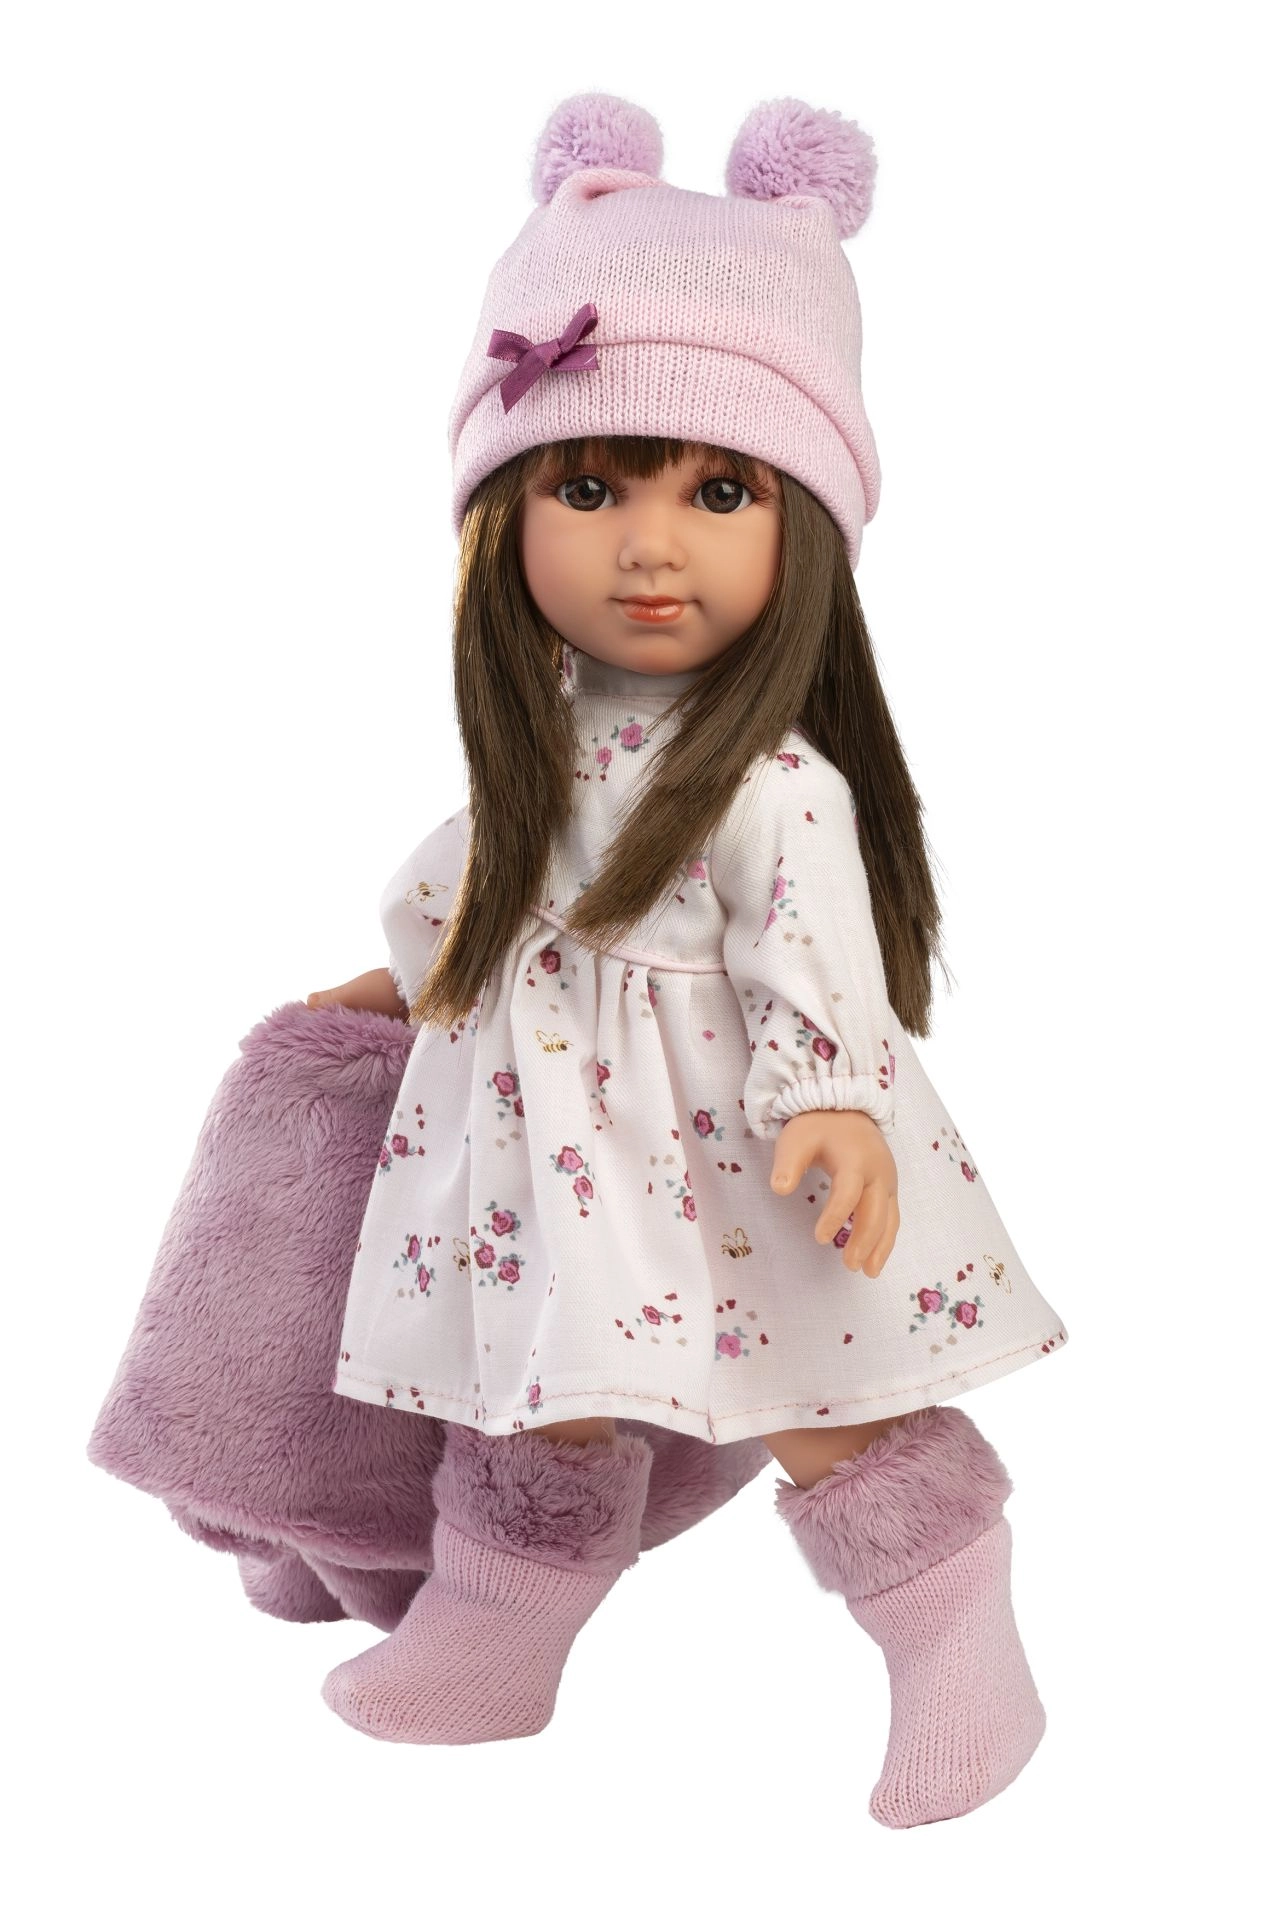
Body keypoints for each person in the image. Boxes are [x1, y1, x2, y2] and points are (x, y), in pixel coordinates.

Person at [306, 93, 1069, 1827]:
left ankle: (956, 1633)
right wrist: (408, 977)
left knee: (822, 1392)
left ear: (804, 535)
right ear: (504, 516)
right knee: (533, 1385)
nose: (651, 545)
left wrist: (840, 1107)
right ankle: (496, 1634)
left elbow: (818, 957)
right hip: (547, 1143)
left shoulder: (775, 783)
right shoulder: (543, 742)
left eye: (719, 492)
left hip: (734, 1140)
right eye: (590, 487)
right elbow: (481, 880)